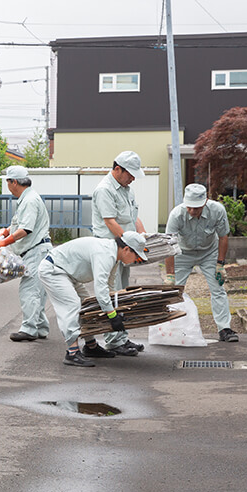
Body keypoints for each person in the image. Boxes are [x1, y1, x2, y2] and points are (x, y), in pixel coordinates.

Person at [38, 232, 149, 367]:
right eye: (136, 255)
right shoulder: (106, 254)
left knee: (89, 305)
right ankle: (72, 353)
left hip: (68, 273)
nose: (136, 259)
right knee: (72, 305)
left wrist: (116, 310)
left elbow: (108, 286)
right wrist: (112, 315)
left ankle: (91, 346)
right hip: (54, 270)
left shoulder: (114, 256)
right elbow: (101, 289)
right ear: (126, 249)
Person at [89, 150, 147, 355]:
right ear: (117, 169)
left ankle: (122, 337)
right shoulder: (105, 189)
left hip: (123, 248)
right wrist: (129, 245)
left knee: (122, 292)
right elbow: (110, 221)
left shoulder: (126, 189)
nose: (132, 178)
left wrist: (143, 235)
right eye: (129, 174)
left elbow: (133, 216)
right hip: (110, 249)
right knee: (111, 293)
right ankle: (113, 340)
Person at [165, 183, 237, 342]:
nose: (192, 211)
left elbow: (223, 237)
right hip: (183, 253)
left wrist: (220, 264)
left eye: (196, 208)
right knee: (173, 290)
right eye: (189, 207)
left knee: (218, 288)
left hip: (209, 252)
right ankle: (172, 329)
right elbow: (169, 244)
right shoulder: (177, 214)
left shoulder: (217, 211)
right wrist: (170, 274)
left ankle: (224, 328)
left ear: (205, 202)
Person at [0, 165, 52, 342]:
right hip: (37, 251)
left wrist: (4, 242)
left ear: (15, 182)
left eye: (8, 182)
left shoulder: (29, 200)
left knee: (29, 290)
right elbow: (20, 224)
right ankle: (40, 327)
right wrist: (5, 231)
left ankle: (29, 329)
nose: (8, 186)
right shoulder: (27, 198)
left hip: (36, 251)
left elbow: (25, 229)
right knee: (37, 292)